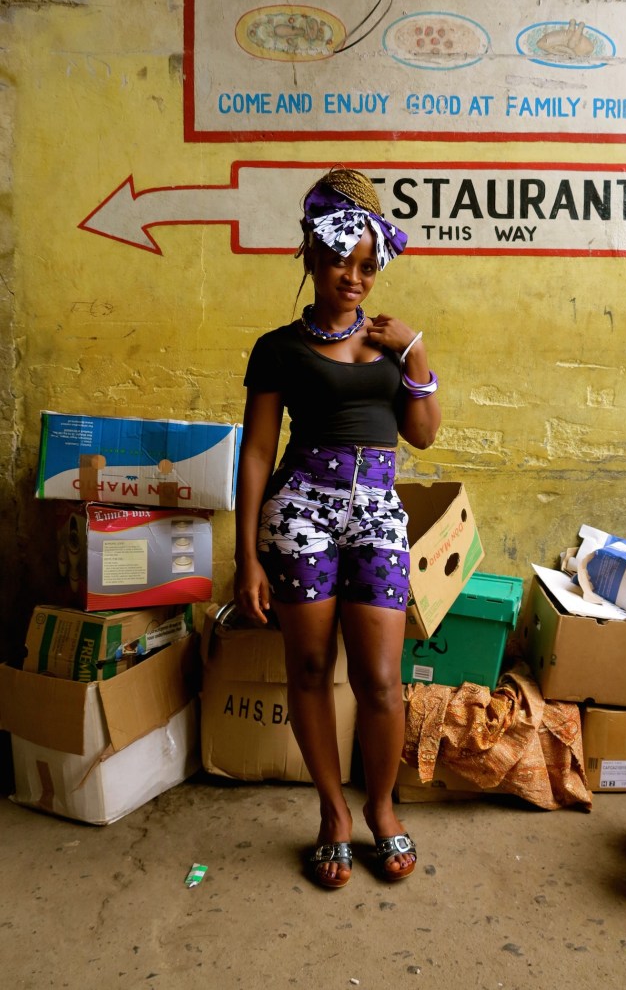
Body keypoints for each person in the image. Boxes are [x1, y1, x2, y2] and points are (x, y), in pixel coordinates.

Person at [234, 166, 441, 889]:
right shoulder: (278, 349)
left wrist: (415, 352)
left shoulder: (390, 342)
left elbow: (423, 434)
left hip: (378, 510)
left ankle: (382, 809)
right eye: (339, 261)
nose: (353, 277)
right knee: (312, 670)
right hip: (301, 513)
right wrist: (247, 558)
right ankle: (332, 814)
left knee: (383, 678)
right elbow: (258, 451)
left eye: (366, 264)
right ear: (311, 254)